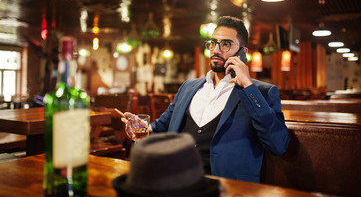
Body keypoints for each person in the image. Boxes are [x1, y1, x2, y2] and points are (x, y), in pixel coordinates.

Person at [122, 16, 290, 183]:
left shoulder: (261, 92)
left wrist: (247, 85)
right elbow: (161, 128)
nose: (216, 50)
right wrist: (143, 129)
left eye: (225, 44)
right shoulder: (188, 87)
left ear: (243, 53)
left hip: (228, 188)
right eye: (213, 43)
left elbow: (278, 145)